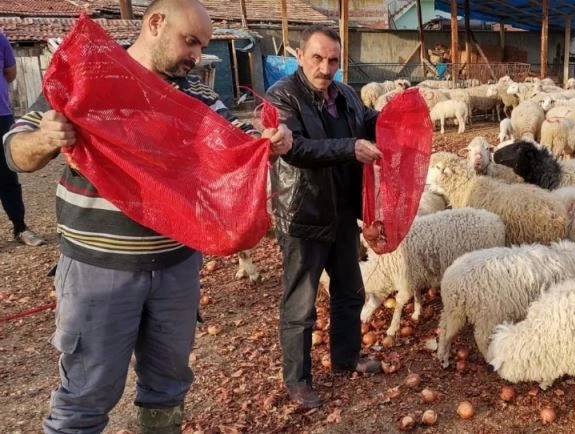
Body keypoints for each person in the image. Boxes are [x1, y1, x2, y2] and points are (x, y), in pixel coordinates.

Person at [2, 1, 292, 433]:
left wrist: (272, 140)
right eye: (190, 41)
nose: (196, 55)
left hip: (176, 268)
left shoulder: (197, 96)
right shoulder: (89, 79)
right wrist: (45, 138)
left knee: (168, 389)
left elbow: (240, 142)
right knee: (85, 397)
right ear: (155, 23)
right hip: (99, 269)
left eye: (203, 46)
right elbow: (14, 152)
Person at [266, 24, 384, 409]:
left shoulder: (346, 94)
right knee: (301, 303)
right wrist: (351, 147)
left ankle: (346, 359)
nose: (325, 68)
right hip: (305, 213)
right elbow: (296, 149)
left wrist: (397, 116)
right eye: (317, 58)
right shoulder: (282, 96)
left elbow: (368, 120)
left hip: (343, 210)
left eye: (333, 60)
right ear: (300, 56)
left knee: (350, 291)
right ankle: (298, 381)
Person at [0, 31, 46, 246]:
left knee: (7, 175)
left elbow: (10, 73)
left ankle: (20, 228)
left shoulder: (0, 39)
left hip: (1, 115)